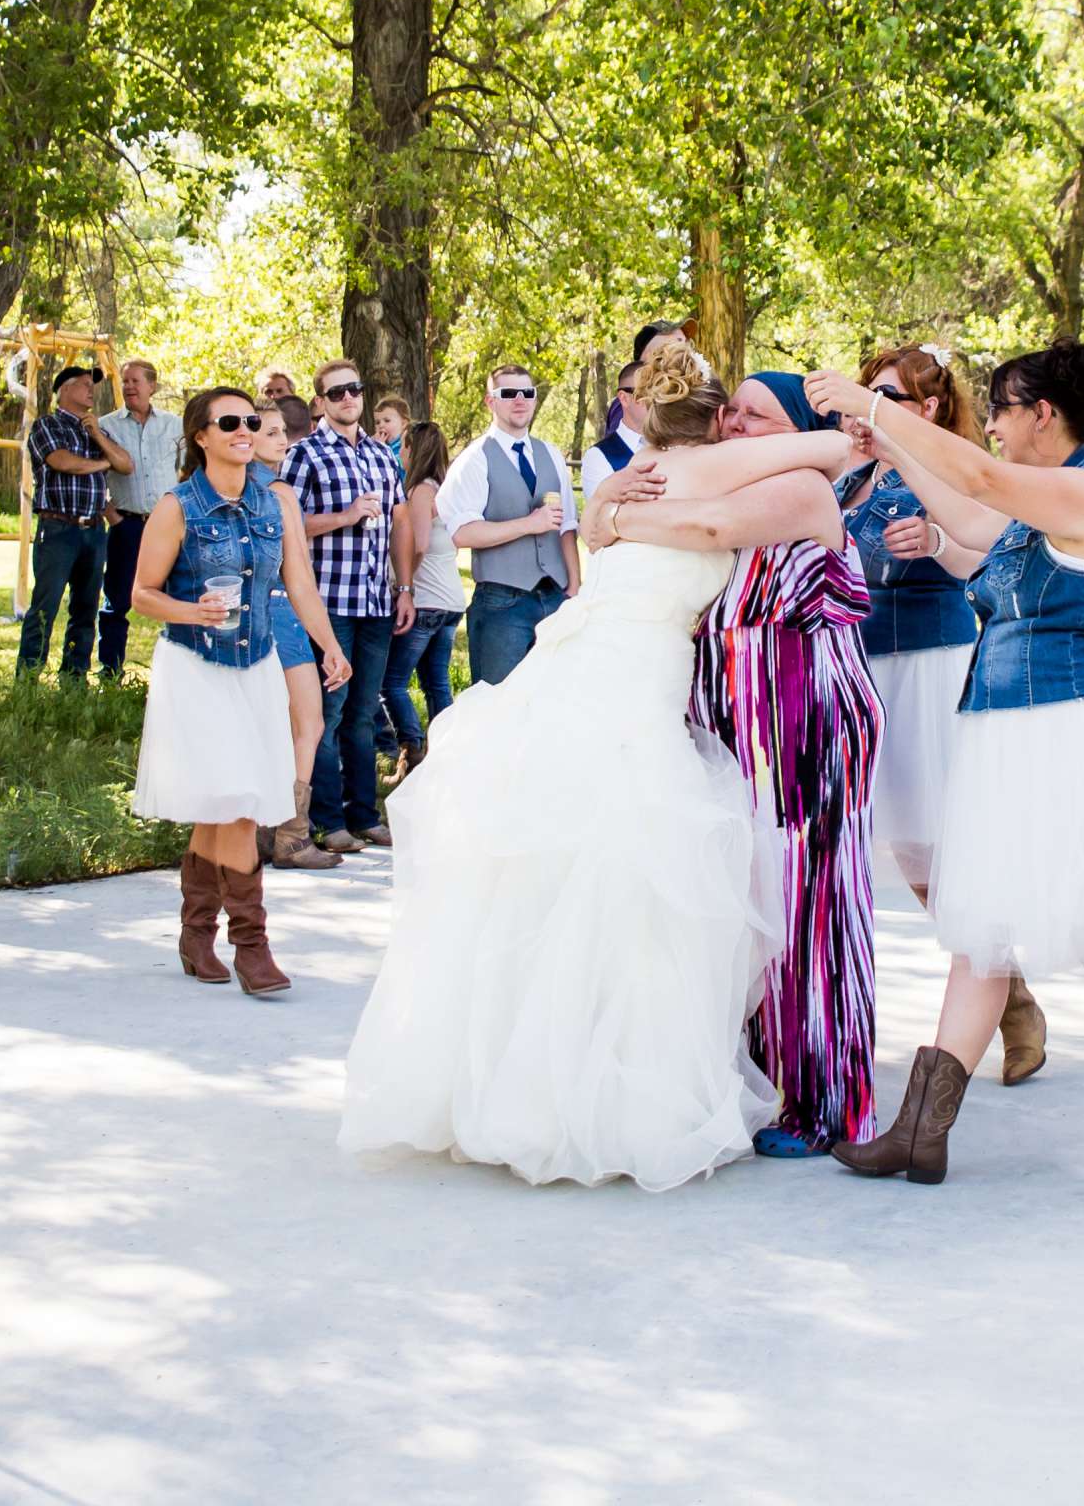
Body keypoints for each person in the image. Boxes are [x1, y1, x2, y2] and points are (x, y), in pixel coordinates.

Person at [339, 347, 859, 1190]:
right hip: (631, 678)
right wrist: (614, 518)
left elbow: (680, 526)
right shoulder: (715, 466)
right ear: (720, 419)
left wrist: (610, 519)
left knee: (566, 867)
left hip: (587, 662)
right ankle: (609, 1093)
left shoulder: (641, 472)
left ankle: (525, 1080)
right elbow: (832, 454)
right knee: (633, 871)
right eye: (741, 415)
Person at [803, 340, 1084, 1189]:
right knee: (983, 933)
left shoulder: (1082, 489)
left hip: (1074, 728)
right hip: (1010, 730)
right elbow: (966, 518)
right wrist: (886, 445)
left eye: (1001, 409)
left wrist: (878, 404)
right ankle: (923, 1132)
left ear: (1043, 415)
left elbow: (984, 485)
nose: (992, 425)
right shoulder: (1033, 503)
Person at [589, 363, 885, 1158]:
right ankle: (760, 1078)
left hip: (805, 710)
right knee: (745, 897)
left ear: (797, 429)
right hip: (732, 713)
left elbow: (706, 529)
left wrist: (608, 519)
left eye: (756, 418)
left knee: (806, 905)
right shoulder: (744, 477)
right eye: (733, 418)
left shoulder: (804, 493)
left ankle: (828, 1104)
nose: (736, 430)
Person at [825, 343, 1047, 1088]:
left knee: (941, 846)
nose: (879, 404)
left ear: (928, 407)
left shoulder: (951, 462)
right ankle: (1005, 989)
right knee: (908, 850)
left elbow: (984, 556)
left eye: (896, 394)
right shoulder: (849, 473)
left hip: (931, 661)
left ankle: (1010, 1002)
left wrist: (941, 541)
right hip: (859, 664)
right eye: (872, 391)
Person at [132, 388, 347, 998]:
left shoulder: (274, 503)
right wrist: (190, 609)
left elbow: (299, 583)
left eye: (252, 422)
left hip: (256, 664)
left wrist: (328, 644)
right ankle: (251, 945)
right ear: (201, 434)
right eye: (230, 422)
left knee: (226, 801)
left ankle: (195, 931)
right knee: (238, 805)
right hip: (195, 667)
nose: (245, 430)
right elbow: (142, 594)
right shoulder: (177, 507)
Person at [281, 359, 404, 853]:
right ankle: (327, 824)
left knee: (363, 714)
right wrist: (345, 515)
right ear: (321, 402)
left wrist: (405, 587)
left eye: (354, 389)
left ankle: (364, 816)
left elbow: (396, 523)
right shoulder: (304, 455)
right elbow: (291, 524)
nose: (348, 398)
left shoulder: (381, 455)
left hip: (375, 600)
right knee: (326, 715)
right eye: (336, 393)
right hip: (328, 602)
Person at [242, 400, 338, 871]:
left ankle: (261, 832)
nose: (283, 440)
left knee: (268, 727)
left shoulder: (226, 489)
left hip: (244, 618)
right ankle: (293, 835)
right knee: (308, 724)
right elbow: (299, 576)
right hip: (281, 613)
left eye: (284, 432)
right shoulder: (278, 492)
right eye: (272, 432)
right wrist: (331, 645)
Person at [443, 364, 576, 686]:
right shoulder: (475, 459)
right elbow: (462, 533)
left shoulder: (552, 454)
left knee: (554, 700)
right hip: (502, 602)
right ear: (490, 401)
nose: (520, 400)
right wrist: (528, 524)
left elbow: (567, 526)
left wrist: (574, 588)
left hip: (555, 597)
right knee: (495, 705)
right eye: (508, 393)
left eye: (527, 393)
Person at [17, 364, 133, 679]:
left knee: (85, 611)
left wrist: (97, 435)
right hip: (58, 530)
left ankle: (74, 679)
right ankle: (28, 680)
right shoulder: (47, 425)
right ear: (64, 390)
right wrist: (102, 462)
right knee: (44, 609)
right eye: (84, 383)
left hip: (94, 531)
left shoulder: (95, 429)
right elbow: (63, 462)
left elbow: (126, 465)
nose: (90, 389)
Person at [382, 421, 466, 785]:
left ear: (413, 451)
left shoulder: (419, 491)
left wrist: (405, 587)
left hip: (427, 600)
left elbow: (416, 545)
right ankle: (446, 754)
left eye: (403, 447)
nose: (400, 453)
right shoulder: (448, 490)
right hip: (450, 599)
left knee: (392, 683)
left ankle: (412, 750)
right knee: (436, 683)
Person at [97, 359, 183, 679]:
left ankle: (178, 671)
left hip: (167, 525)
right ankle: (110, 671)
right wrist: (112, 515)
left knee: (179, 595)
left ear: (153, 386)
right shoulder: (106, 425)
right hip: (127, 524)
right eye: (125, 382)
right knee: (117, 600)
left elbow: (188, 470)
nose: (129, 387)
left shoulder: (174, 425)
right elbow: (97, 473)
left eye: (135, 381)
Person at [580, 360, 646, 500]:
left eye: (661, 391)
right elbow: (601, 514)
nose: (656, 399)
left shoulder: (674, 447)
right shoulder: (598, 457)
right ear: (624, 398)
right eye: (645, 392)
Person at [372, 396, 411, 471]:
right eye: (377, 422)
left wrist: (381, 449)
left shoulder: (405, 447)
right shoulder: (374, 445)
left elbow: (395, 469)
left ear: (403, 424)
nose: (381, 425)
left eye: (387, 421)